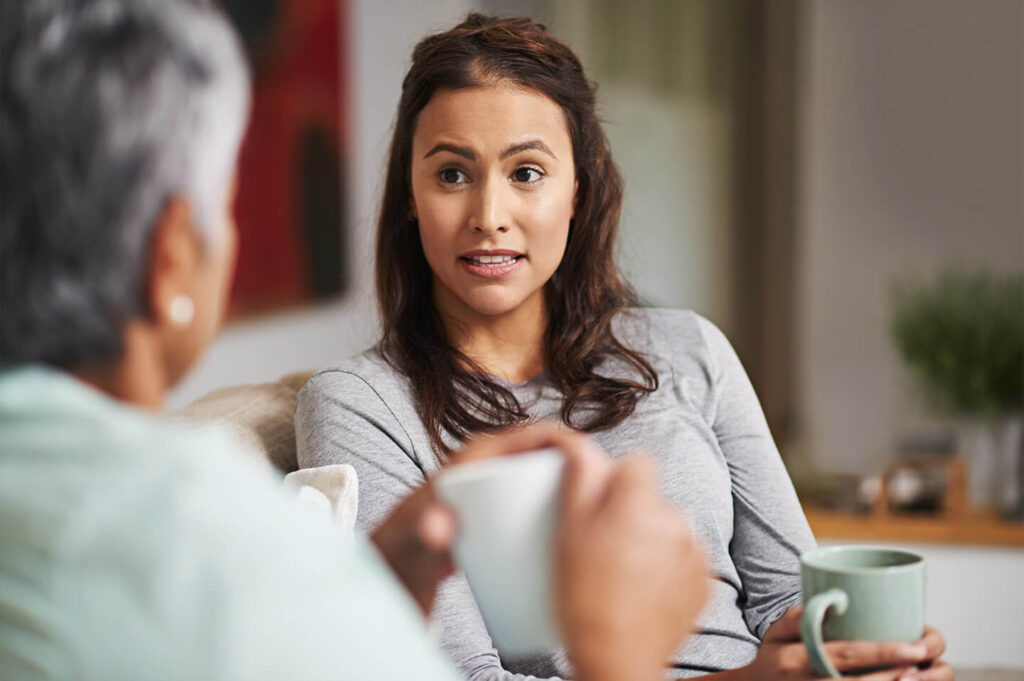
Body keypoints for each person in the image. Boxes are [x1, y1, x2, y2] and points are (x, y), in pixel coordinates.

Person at [0, 2, 710, 680]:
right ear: (174, 259)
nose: (490, 215)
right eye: (226, 201)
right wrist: (615, 654)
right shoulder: (202, 538)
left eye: (526, 172)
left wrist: (381, 583)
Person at [294, 13, 953, 681]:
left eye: (527, 172)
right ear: (411, 193)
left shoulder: (690, 347)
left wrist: (872, 657)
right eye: (452, 175)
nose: (489, 216)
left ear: (576, 191)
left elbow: (790, 598)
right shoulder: (361, 405)